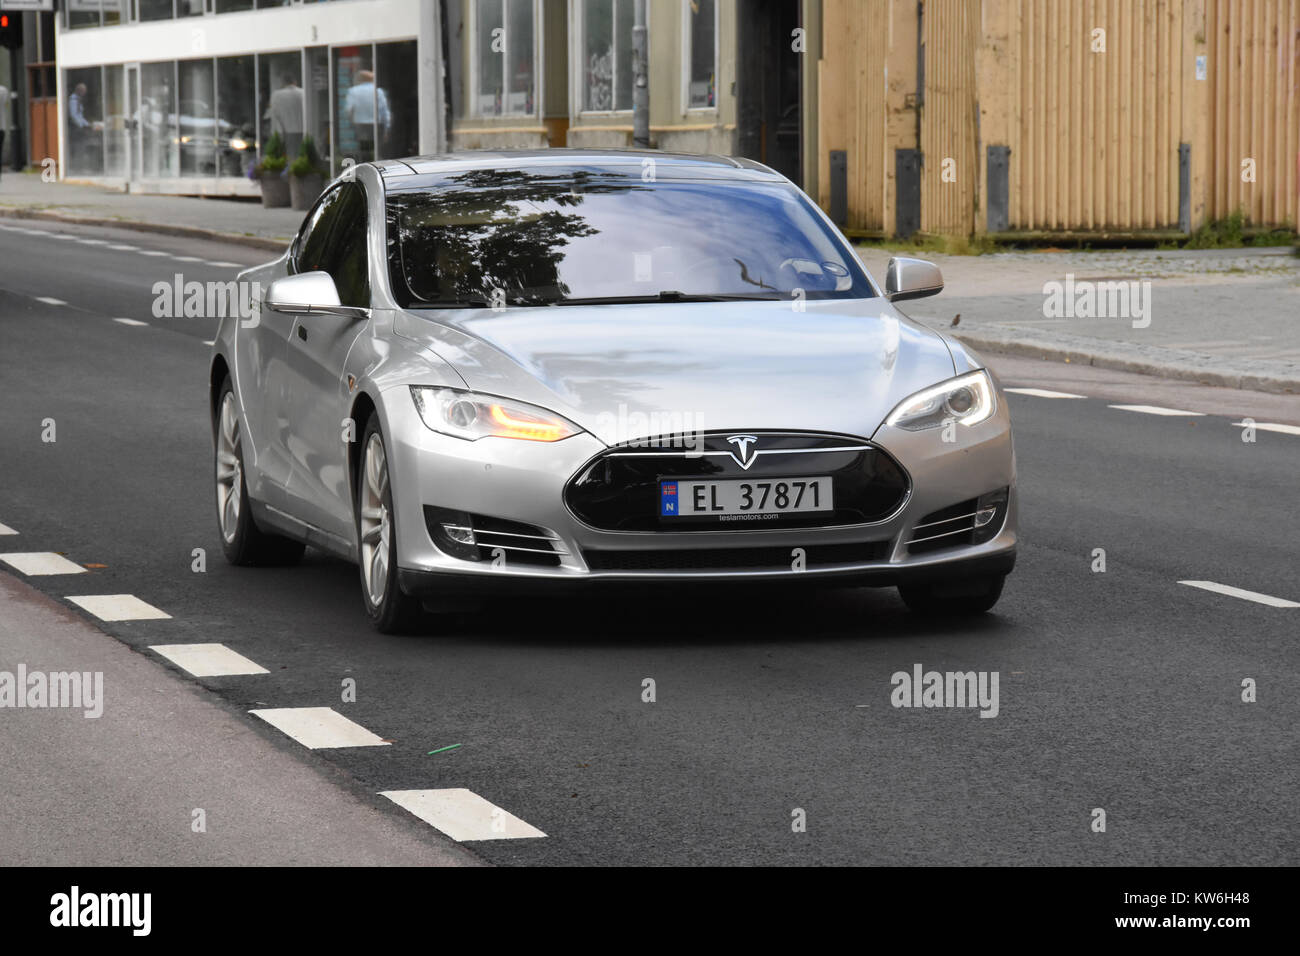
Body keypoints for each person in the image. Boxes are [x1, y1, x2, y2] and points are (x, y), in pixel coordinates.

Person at [345, 69, 389, 160]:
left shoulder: (353, 91)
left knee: (364, 150)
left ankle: (365, 164)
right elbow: (384, 112)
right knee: (377, 149)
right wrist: (386, 129)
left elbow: (349, 110)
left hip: (361, 125)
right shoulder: (378, 91)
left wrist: (352, 122)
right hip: (377, 125)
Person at [267, 73, 304, 161]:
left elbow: (275, 115)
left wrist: (277, 133)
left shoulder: (277, 95)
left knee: (290, 157)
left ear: (283, 83)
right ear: (295, 82)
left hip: (287, 131)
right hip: (305, 129)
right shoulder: (303, 92)